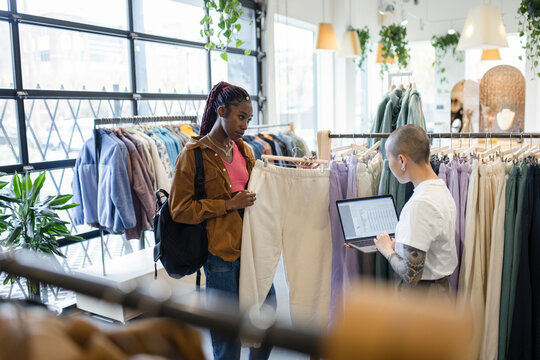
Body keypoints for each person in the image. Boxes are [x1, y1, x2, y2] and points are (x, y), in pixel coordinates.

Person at [169, 81, 275, 360]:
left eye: (249, 120)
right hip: (221, 256)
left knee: (266, 323)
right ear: (221, 112)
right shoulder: (193, 156)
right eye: (241, 117)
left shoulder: (245, 151)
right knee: (227, 337)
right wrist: (228, 204)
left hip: (254, 250)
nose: (245, 125)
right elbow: (179, 209)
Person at [373, 124, 457, 297]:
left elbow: (411, 275)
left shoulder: (420, 203)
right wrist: (400, 245)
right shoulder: (440, 189)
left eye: (389, 159)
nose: (389, 166)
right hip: (438, 292)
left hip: (422, 298)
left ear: (402, 160)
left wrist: (387, 250)